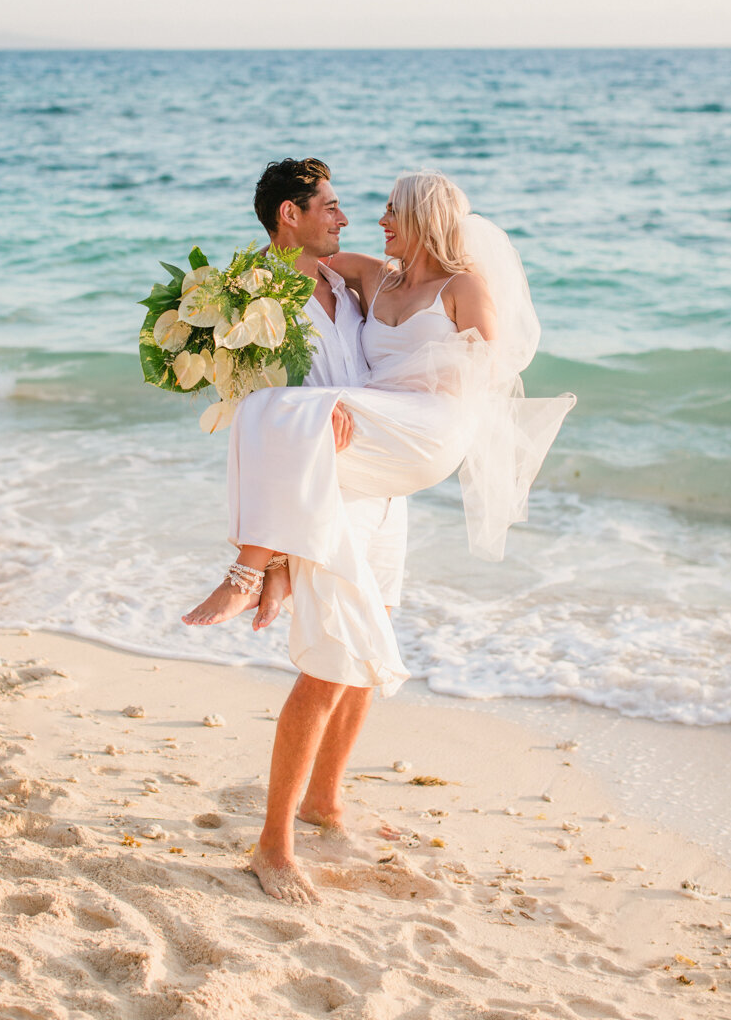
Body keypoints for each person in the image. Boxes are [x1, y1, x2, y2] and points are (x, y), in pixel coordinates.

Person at [185, 168, 575, 903]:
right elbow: (293, 263)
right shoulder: (373, 278)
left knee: (347, 642)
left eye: (389, 213)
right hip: (365, 459)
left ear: (423, 217)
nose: (373, 222)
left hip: (417, 432)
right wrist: (220, 296)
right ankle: (291, 827)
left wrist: (362, 399)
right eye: (338, 208)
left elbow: (495, 374)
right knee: (355, 644)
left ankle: (262, 565)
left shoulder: (462, 287)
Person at [185, 158, 409, 904]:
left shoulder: (344, 286)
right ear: (290, 213)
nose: (342, 219)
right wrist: (274, 548)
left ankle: (326, 801)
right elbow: (257, 410)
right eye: (331, 207)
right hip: (321, 495)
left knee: (367, 651)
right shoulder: (253, 296)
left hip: (377, 488)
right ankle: (273, 843)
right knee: (327, 663)